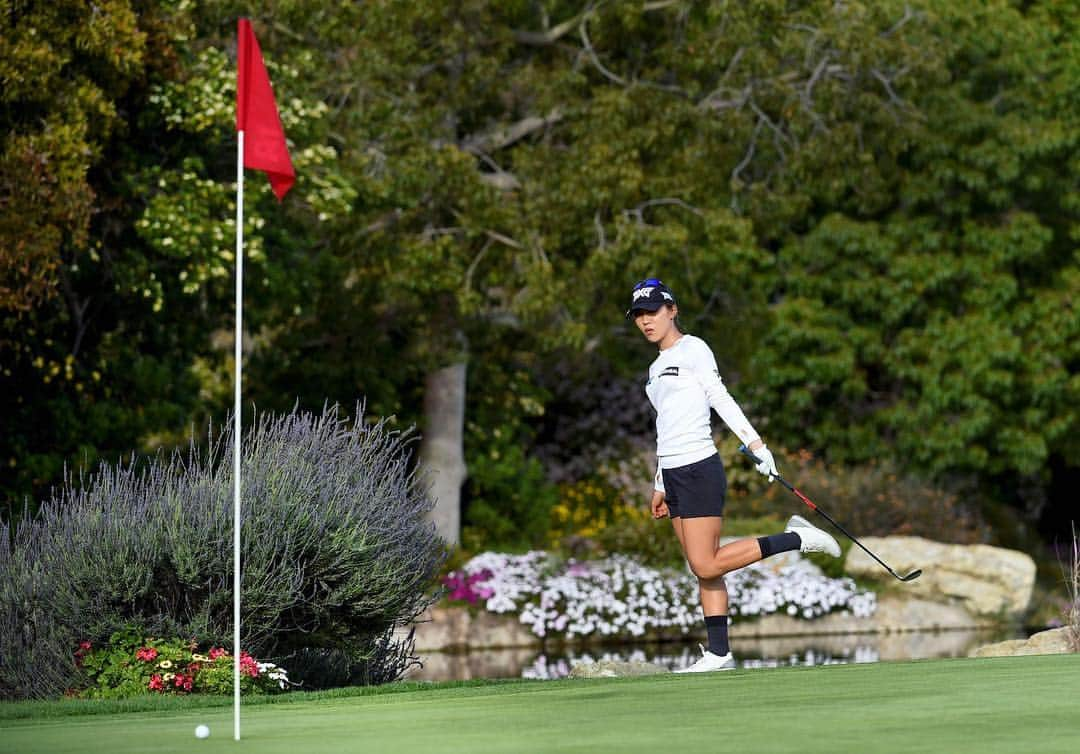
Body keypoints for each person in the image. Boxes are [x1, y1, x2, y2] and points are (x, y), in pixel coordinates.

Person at [626, 278, 840, 673]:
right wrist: (658, 482)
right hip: (672, 474)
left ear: (672, 310)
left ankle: (798, 538)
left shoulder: (694, 349)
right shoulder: (655, 369)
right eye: (639, 315)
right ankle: (719, 653)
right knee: (701, 566)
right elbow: (665, 427)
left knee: (707, 563)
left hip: (698, 468)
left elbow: (720, 398)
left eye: (652, 311)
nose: (645, 321)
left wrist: (757, 446)